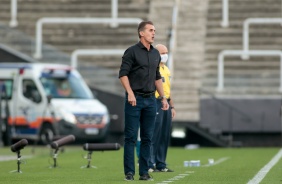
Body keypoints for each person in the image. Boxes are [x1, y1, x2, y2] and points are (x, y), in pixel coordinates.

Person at [119, 21, 169, 181]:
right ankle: (129, 172)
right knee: (131, 137)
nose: (153, 33)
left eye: (154, 30)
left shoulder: (155, 54)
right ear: (141, 33)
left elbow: (157, 77)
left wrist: (163, 98)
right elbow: (123, 74)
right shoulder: (131, 52)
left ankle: (144, 172)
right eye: (150, 30)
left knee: (148, 137)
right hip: (134, 100)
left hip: (150, 101)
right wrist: (130, 93)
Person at [148, 44, 176, 172]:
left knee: (164, 134)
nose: (165, 55)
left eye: (166, 52)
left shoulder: (166, 69)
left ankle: (161, 163)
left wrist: (172, 106)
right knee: (154, 133)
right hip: (156, 101)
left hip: (166, 103)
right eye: (162, 52)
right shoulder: (152, 68)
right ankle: (150, 163)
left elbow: (169, 89)